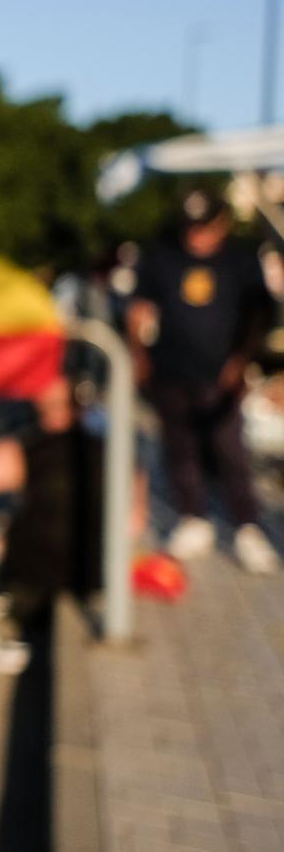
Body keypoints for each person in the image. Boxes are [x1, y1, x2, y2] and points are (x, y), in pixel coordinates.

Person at [129, 188, 281, 574]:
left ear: (222, 223)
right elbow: (140, 308)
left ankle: (246, 525)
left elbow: (260, 314)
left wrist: (242, 361)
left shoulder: (241, 259)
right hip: (170, 370)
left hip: (222, 373)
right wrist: (138, 355)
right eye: (191, 227)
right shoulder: (161, 255)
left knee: (230, 449)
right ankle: (193, 518)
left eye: (204, 227)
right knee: (180, 447)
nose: (197, 236)